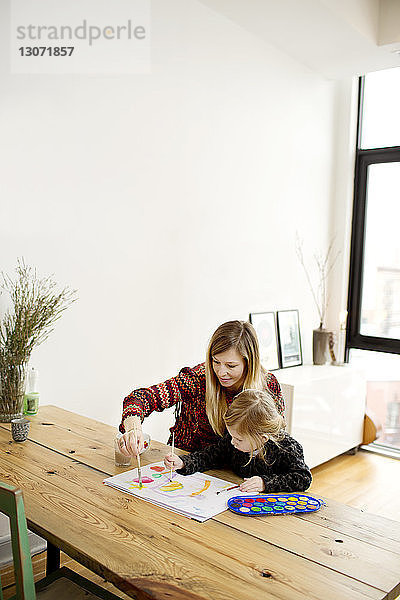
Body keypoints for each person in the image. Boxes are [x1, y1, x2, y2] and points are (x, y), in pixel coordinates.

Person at [118, 320, 285, 456]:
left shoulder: (268, 386)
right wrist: (133, 429)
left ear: (249, 363)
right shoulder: (199, 378)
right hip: (184, 464)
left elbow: (277, 441)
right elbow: (141, 398)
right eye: (215, 362)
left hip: (239, 476)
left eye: (231, 365)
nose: (221, 372)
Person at [164, 389, 312, 493]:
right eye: (232, 436)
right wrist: (183, 462)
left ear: (262, 438)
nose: (233, 442)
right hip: (235, 497)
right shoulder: (233, 440)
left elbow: (303, 478)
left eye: (239, 439)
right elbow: (211, 455)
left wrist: (265, 483)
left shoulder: (287, 448)